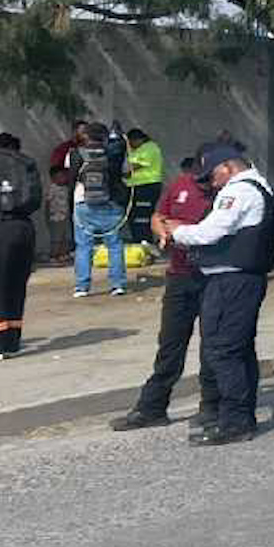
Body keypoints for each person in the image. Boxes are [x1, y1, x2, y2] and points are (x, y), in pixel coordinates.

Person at [156, 142, 274, 446]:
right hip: (242, 280)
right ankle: (239, 417)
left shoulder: (239, 190)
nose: (212, 183)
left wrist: (176, 231)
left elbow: (211, 232)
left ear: (227, 167)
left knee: (223, 350)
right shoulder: (259, 186)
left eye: (212, 175)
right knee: (239, 350)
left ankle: (234, 422)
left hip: (231, 282)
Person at [109, 156, 220, 427]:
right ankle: (152, 408)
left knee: (212, 345)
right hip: (179, 276)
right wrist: (162, 232)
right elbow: (158, 217)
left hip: (213, 278)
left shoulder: (227, 194)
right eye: (199, 176)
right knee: (170, 344)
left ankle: (212, 406)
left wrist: (187, 231)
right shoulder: (180, 185)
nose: (203, 182)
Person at [71, 122, 130, 298]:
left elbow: (72, 179)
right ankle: (117, 284)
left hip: (83, 203)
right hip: (111, 203)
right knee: (114, 245)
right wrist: (118, 136)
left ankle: (82, 287)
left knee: (83, 246)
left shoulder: (76, 153)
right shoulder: (114, 152)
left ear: (86, 136)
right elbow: (124, 164)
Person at [0, 132, 44, 359]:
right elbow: (34, 199)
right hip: (22, 227)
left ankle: (0, 343)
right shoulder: (26, 163)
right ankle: (11, 342)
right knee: (16, 285)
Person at [46, 118, 86, 265]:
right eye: (82, 131)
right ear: (75, 132)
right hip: (68, 193)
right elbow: (55, 168)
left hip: (88, 194)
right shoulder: (65, 149)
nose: (84, 135)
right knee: (62, 229)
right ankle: (61, 253)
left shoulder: (93, 149)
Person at [124, 128, 166, 244]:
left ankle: (144, 240)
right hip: (137, 187)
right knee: (134, 216)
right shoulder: (137, 150)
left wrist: (121, 170)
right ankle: (138, 239)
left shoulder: (149, 148)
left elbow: (135, 166)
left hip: (147, 186)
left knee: (142, 216)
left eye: (131, 142)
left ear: (138, 139)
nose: (130, 145)